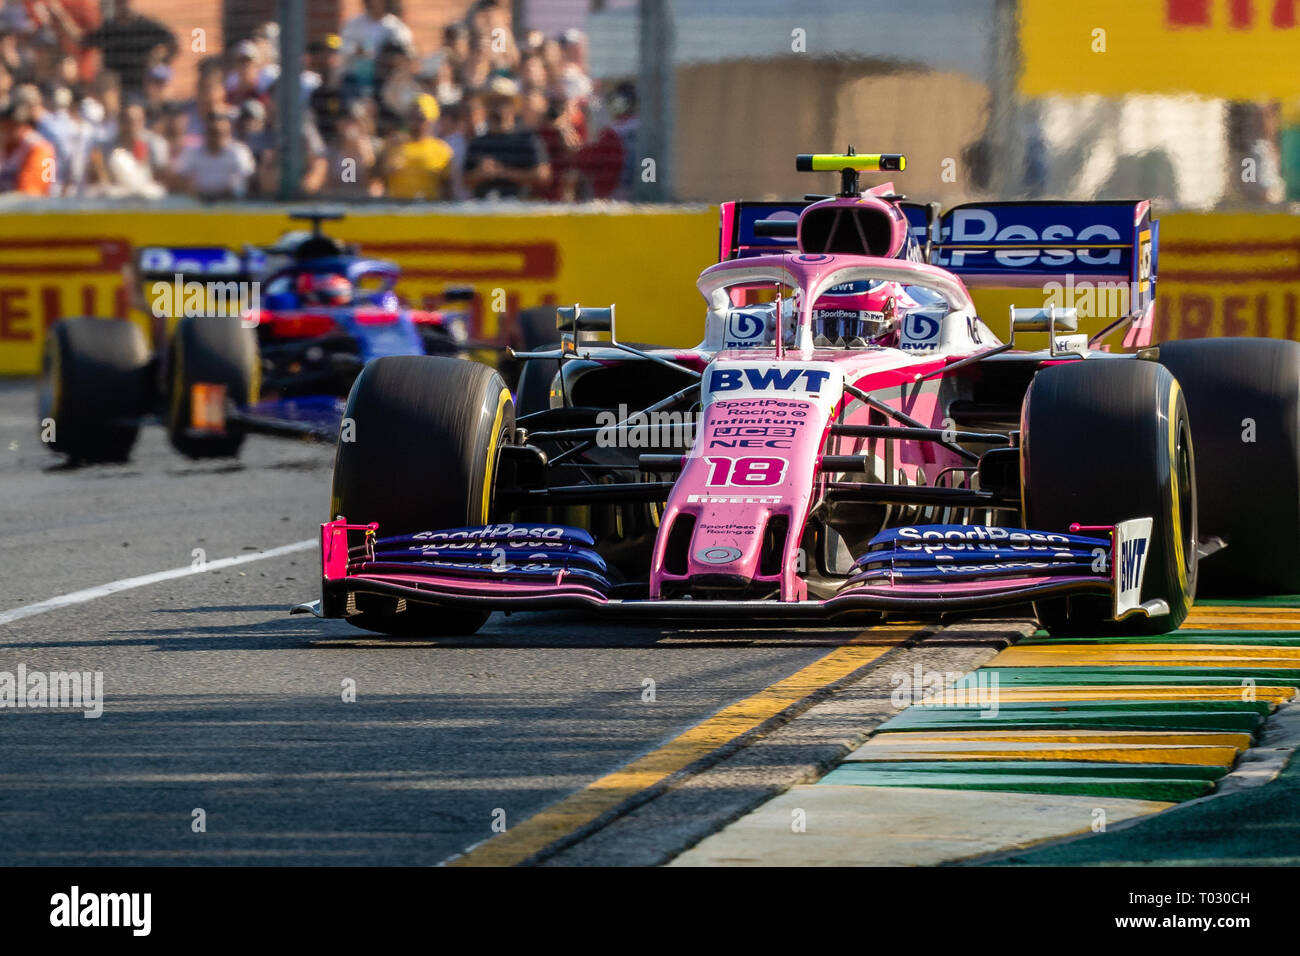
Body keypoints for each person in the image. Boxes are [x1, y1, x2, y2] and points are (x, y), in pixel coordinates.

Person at [463, 79, 550, 199]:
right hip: (484, 207)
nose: (497, 108)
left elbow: (543, 175)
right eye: (492, 103)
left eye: (502, 102)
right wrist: (480, 173)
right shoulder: (477, 142)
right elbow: (466, 181)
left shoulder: (528, 140)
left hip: (521, 206)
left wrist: (503, 172)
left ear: (513, 106)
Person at [81, 0, 177, 98]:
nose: (123, 5)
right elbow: (83, 42)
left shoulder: (145, 26)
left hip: (138, 85)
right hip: (113, 86)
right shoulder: (108, 28)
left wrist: (160, 60)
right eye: (120, 2)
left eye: (125, 2)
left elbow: (172, 42)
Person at [381, 93, 453, 200]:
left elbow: (447, 188)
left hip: (429, 207)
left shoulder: (442, 149)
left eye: (420, 118)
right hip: (397, 207)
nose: (414, 122)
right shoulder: (393, 144)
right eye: (411, 117)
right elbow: (376, 178)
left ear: (431, 120)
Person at [171, 109, 255, 200]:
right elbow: (180, 176)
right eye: (212, 132)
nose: (216, 137)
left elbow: (247, 177)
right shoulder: (192, 152)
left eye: (220, 133)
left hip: (231, 200)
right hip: (199, 200)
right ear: (205, 132)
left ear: (228, 132)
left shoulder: (238, 151)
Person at [0, 98, 55, 195]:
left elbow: (29, 191)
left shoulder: (40, 149)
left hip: (33, 203)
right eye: (4, 126)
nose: (6, 130)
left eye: (13, 125)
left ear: (26, 125)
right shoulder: (7, 145)